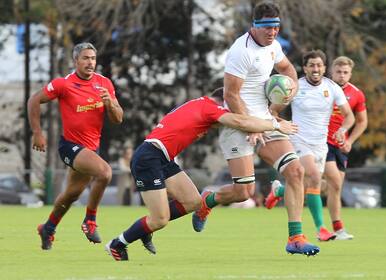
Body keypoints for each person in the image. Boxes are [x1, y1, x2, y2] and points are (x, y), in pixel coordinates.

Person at [105, 88, 298, 261]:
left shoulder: (201, 103)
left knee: (194, 202)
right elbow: (240, 120)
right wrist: (276, 125)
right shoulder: (211, 108)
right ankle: (117, 244)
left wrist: (259, 125)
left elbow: (242, 121)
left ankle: (147, 227)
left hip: (164, 157)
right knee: (159, 219)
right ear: (224, 101)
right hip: (149, 158)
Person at [191, 2, 320, 256]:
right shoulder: (241, 51)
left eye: (276, 27)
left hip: (265, 120)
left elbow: (287, 69)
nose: (273, 32)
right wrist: (251, 125)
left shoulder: (273, 45)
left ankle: (295, 238)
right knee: (244, 193)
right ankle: (208, 199)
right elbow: (231, 94)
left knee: (295, 171)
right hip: (237, 122)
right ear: (254, 26)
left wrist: (290, 90)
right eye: (267, 27)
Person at [28, 42, 123, 250]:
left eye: (93, 58)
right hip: (70, 146)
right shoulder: (64, 84)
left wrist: (110, 104)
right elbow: (34, 100)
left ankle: (48, 228)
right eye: (85, 58)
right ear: (76, 61)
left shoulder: (104, 83)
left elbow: (118, 119)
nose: (90, 63)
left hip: (90, 150)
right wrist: (37, 133)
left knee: (72, 194)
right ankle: (90, 220)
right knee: (105, 173)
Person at [265, 50, 355, 241]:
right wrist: (282, 124)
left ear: (324, 68)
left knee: (310, 184)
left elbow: (350, 116)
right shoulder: (295, 87)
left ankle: (279, 191)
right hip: (299, 140)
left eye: (319, 65)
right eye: (311, 65)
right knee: (314, 177)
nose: (316, 69)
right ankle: (321, 229)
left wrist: (343, 130)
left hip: (320, 144)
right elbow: (273, 111)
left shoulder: (332, 88)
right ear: (305, 68)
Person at [324, 56, 367, 240]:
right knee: (334, 181)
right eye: (338, 72)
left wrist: (350, 141)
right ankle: (331, 228)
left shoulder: (356, 94)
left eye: (345, 72)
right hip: (320, 141)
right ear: (332, 72)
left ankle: (338, 230)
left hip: (340, 145)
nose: (341, 75)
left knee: (335, 187)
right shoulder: (323, 88)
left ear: (350, 73)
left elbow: (362, 122)